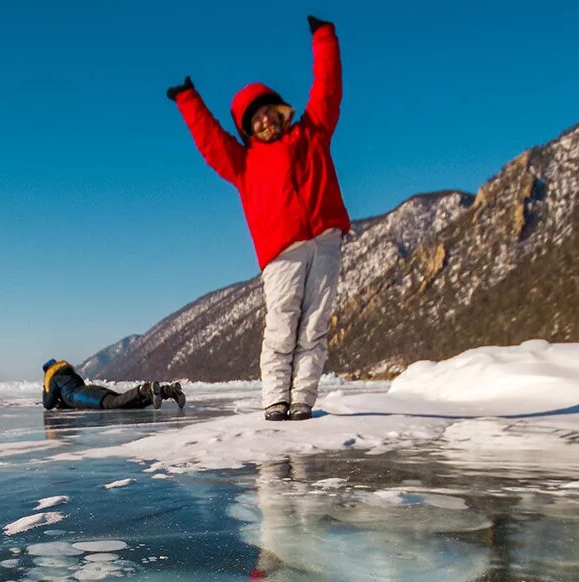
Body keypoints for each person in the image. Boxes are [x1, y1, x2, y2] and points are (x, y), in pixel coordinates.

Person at [168, 16, 350, 422]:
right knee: (282, 325)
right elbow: (211, 140)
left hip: (325, 240)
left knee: (315, 324)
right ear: (248, 129)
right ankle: (275, 400)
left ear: (282, 113)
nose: (265, 121)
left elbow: (328, 88)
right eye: (256, 119)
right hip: (281, 251)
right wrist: (189, 100)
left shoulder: (312, 133)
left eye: (269, 112)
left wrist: (324, 37)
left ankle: (302, 399)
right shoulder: (244, 163)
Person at [42, 359, 185, 412]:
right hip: (91, 390)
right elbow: (69, 395)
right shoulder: (71, 374)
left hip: (84, 396)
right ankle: (167, 391)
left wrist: (45, 388)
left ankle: (144, 389)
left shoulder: (54, 379)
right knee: (129, 404)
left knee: (116, 403)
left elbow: (48, 404)